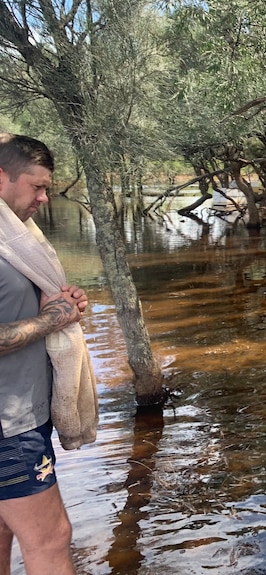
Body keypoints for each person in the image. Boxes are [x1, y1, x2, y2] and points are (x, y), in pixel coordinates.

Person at [0, 133, 88, 575]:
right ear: (1, 176)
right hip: (8, 425)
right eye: (36, 186)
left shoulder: (15, 238)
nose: (44, 197)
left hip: (18, 413)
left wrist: (60, 301)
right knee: (51, 540)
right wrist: (53, 320)